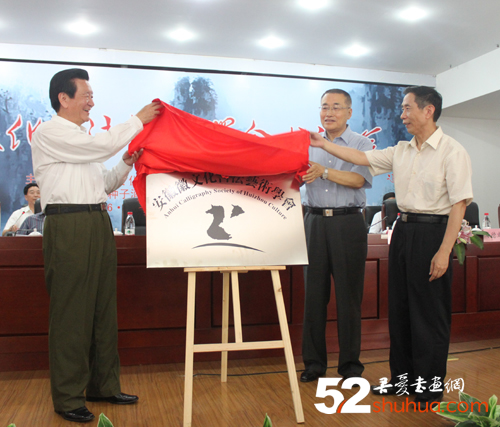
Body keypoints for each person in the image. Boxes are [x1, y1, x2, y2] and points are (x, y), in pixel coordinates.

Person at [310, 86, 473, 409]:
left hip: (433, 234)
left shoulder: (452, 151)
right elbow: (362, 158)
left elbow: (460, 204)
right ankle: (401, 381)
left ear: (428, 110)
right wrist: (324, 144)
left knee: (429, 315)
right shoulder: (401, 150)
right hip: (403, 231)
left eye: (407, 108)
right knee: (400, 311)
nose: (402, 115)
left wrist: (444, 251)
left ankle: (428, 388)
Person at [31, 68, 162, 423]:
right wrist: (138, 120)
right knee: (71, 312)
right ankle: (68, 397)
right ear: (64, 98)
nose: (91, 102)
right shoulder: (50, 132)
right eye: (86, 95)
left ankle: (103, 385)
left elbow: (104, 184)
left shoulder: (80, 139)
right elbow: (99, 146)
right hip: (69, 225)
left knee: (103, 309)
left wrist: (126, 163)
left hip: (97, 222)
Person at [300, 89, 373, 383]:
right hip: (314, 222)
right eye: (324, 107)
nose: (329, 113)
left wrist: (324, 172)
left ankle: (350, 367)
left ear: (349, 112)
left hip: (348, 224)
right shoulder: (307, 145)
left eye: (336, 107)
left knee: (349, 297)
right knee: (313, 297)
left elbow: (358, 179)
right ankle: (314, 364)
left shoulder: (361, 144)